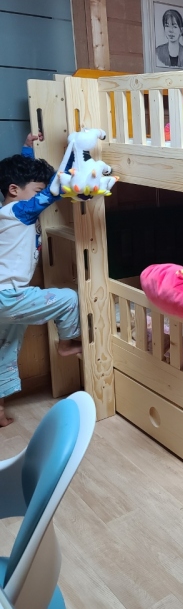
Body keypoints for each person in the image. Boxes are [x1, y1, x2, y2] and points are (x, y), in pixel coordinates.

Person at [0, 135, 81, 427]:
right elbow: (52, 192)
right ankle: (66, 344)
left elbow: (29, 183)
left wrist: (27, 148)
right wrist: (73, 162)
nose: (39, 197)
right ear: (13, 190)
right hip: (8, 296)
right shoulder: (18, 212)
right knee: (69, 299)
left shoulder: (9, 211)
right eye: (36, 191)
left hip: (5, 299)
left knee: (6, 349)